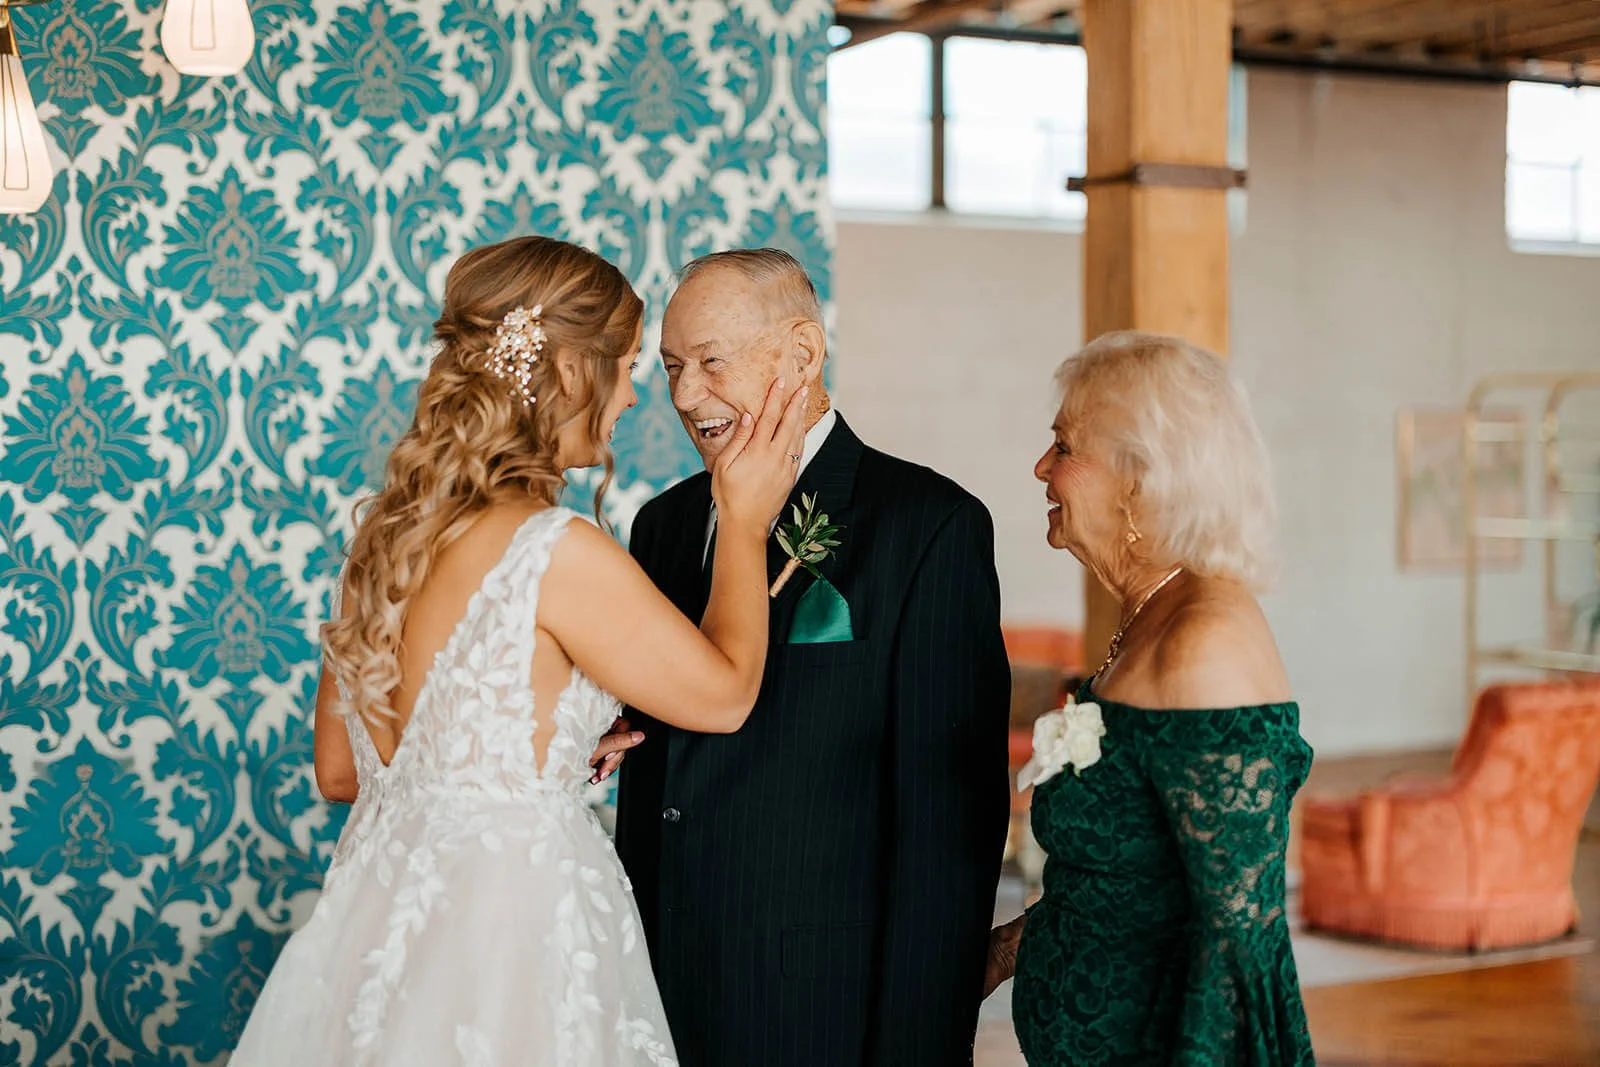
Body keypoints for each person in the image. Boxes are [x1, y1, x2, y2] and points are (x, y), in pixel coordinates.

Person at [230, 235, 808, 1065]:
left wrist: (530, 757)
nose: (640, 393)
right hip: (513, 937)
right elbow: (724, 695)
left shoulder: (385, 545)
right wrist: (746, 520)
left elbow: (340, 771)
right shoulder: (552, 548)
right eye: (631, 362)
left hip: (378, 935)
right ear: (573, 373)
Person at [613, 248, 1012, 1067]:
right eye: (672, 367)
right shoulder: (662, 525)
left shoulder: (928, 526)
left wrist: (919, 1043)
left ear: (801, 352)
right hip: (653, 992)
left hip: (825, 1006)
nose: (687, 396)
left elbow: (950, 832)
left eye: (711, 362)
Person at [983, 330, 1315, 1066]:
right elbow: (1132, 881)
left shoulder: (1206, 645)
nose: (1041, 466)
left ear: (1140, 478)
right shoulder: (1146, 620)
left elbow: (1238, 943)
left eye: (1064, 447)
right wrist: (1006, 950)